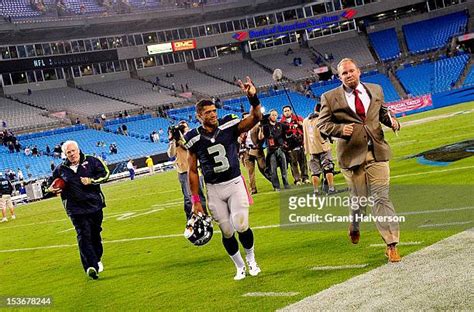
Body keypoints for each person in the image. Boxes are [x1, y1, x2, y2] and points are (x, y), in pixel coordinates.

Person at [317, 58, 401, 262]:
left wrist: (391, 121)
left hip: (377, 151)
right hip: (352, 156)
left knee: (381, 197)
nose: (349, 75)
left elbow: (380, 113)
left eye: (351, 71)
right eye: (344, 73)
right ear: (340, 77)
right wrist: (338, 130)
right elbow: (322, 124)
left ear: (359, 71)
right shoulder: (329, 97)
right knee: (359, 200)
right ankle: (354, 225)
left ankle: (391, 244)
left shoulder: (376, 89)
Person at [184, 76, 262, 280]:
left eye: (214, 111)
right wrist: (195, 201)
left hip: (235, 183)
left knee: (241, 224)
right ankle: (239, 267)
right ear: (199, 115)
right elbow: (192, 171)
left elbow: (255, 119)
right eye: (207, 112)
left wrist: (253, 98)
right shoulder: (193, 138)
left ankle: (252, 259)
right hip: (213, 189)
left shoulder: (228, 124)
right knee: (227, 231)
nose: (212, 115)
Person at [49, 140, 110, 279]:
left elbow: (105, 174)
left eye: (73, 151)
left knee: (95, 234)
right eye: (68, 152)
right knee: (83, 235)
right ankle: (90, 267)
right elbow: (49, 185)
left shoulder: (92, 161)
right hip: (75, 209)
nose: (71, 154)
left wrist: (92, 180)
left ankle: (96, 258)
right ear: (65, 154)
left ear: (78, 150)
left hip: (94, 205)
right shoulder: (60, 169)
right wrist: (51, 188)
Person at [167, 121, 206, 221]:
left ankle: (204, 215)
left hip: (195, 170)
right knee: (188, 198)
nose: (183, 129)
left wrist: (181, 138)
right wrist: (172, 140)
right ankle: (191, 217)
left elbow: (188, 146)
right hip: (183, 172)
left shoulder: (191, 138)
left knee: (200, 195)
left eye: (184, 127)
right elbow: (171, 154)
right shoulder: (175, 142)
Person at [303, 104, 335, 194]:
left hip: (312, 149)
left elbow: (305, 136)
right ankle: (331, 189)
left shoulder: (305, 121)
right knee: (328, 168)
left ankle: (316, 191)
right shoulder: (321, 119)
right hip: (323, 147)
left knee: (315, 172)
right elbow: (326, 132)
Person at [238, 112, 270, 195]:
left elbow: (261, 137)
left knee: (263, 168)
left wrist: (262, 127)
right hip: (246, 151)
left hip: (257, 150)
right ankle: (253, 189)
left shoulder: (257, 126)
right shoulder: (240, 130)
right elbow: (238, 141)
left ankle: (274, 183)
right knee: (250, 172)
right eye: (244, 119)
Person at [258, 110, 290, 191]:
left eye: (276, 115)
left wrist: (296, 125)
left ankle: (286, 184)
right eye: (273, 115)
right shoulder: (265, 126)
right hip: (271, 150)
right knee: (273, 169)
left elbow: (289, 127)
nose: (274, 116)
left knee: (284, 167)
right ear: (269, 116)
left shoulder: (280, 124)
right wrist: (261, 128)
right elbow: (260, 137)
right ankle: (276, 186)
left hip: (280, 148)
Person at [280, 105, 309, 185]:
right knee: (293, 163)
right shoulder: (281, 123)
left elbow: (306, 128)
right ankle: (297, 179)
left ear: (291, 111)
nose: (286, 112)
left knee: (303, 162)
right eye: (285, 111)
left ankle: (305, 178)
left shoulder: (298, 118)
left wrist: (301, 124)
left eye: (288, 110)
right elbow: (280, 135)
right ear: (283, 113)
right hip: (290, 146)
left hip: (300, 143)